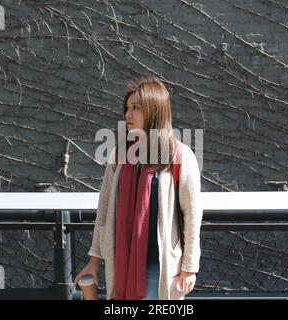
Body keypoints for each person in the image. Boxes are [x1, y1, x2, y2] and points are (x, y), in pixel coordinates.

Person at [74, 76, 202, 300]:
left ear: (154, 110)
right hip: (121, 265)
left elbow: (192, 215)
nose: (127, 115)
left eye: (136, 107)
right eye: (127, 108)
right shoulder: (120, 155)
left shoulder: (180, 156)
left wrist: (189, 267)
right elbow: (103, 211)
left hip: (159, 267)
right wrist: (93, 262)